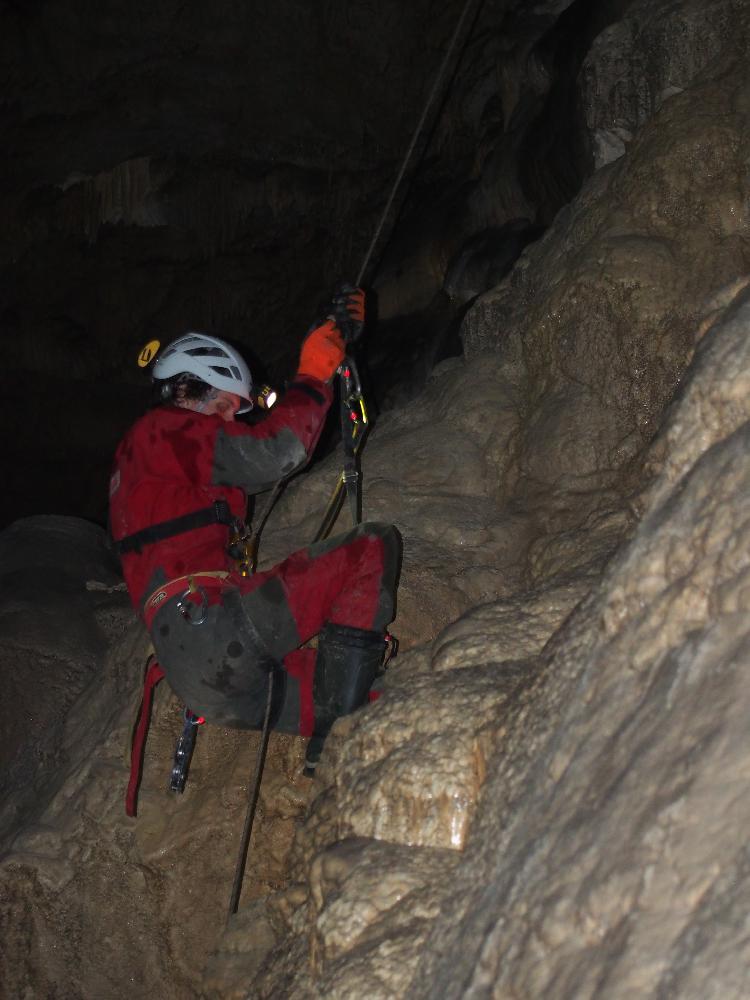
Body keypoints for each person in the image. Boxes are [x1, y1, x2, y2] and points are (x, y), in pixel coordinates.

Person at [109, 288, 400, 773]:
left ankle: (334, 753)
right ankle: (336, 740)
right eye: (223, 406)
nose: (229, 421)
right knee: (371, 546)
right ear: (185, 391)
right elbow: (277, 450)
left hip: (204, 680)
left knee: (365, 701)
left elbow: (259, 461)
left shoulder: (148, 473)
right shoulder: (160, 430)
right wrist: (315, 370)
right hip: (214, 630)